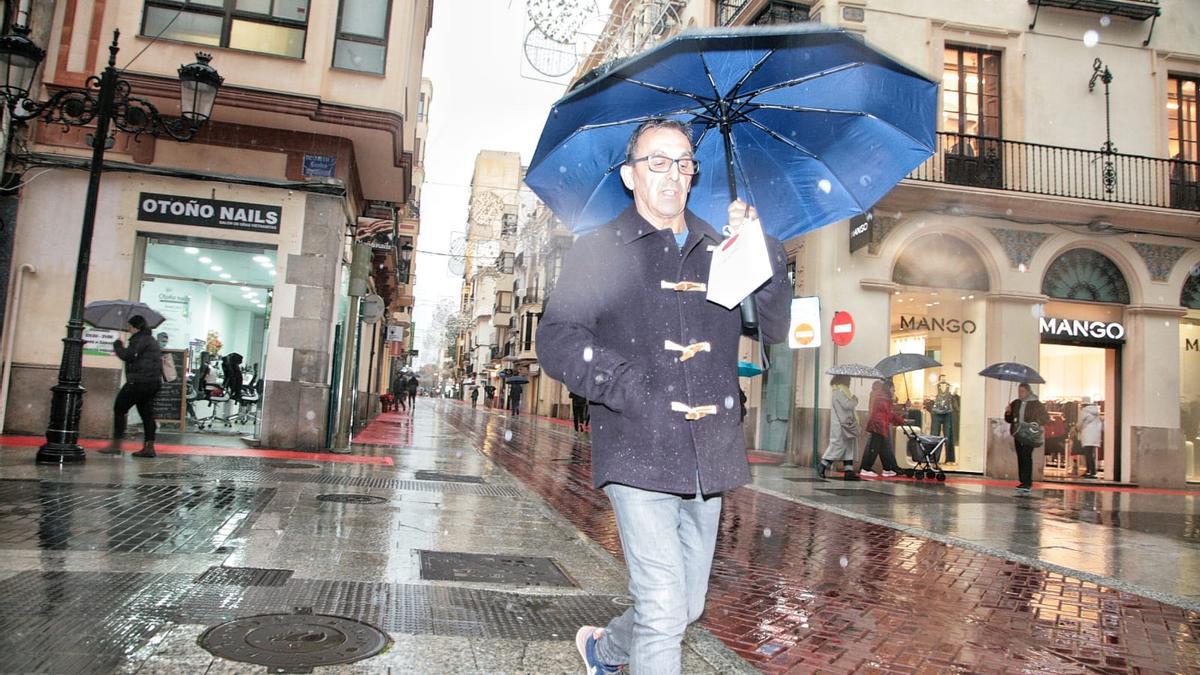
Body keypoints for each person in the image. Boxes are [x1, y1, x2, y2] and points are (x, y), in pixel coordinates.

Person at [537, 118, 790, 675]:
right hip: (636, 445)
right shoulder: (600, 250)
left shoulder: (720, 249)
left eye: (683, 162)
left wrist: (761, 250)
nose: (672, 174)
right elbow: (556, 340)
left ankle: (604, 650)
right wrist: (629, 386)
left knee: (685, 606)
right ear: (630, 176)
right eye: (657, 162)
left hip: (709, 454)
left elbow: (771, 328)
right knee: (663, 607)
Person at [101, 315, 163, 458]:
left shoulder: (140, 340)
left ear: (136, 327)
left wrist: (118, 346)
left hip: (139, 382)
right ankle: (149, 447)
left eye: (130, 327)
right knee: (147, 413)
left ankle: (116, 445)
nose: (128, 330)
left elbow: (128, 355)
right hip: (152, 383)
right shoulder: (150, 340)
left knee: (119, 408)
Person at [1005, 382, 1050, 493]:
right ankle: (1022, 481)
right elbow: (1009, 419)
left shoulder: (1036, 404)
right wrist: (1008, 412)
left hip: (1029, 434)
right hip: (1018, 433)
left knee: (1026, 455)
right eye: (1019, 391)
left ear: (1028, 391)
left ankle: (1027, 482)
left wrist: (1035, 422)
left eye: (1022, 391)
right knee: (1020, 456)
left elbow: (1046, 418)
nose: (1020, 394)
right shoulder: (1016, 403)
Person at [818, 375, 862, 480]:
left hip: (846, 424)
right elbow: (847, 405)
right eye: (849, 380)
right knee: (837, 446)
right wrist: (855, 400)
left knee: (848, 448)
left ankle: (848, 471)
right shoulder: (840, 392)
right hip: (842, 425)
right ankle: (823, 465)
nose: (850, 382)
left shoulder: (842, 391)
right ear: (844, 380)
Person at [859, 379, 904, 477]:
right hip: (878, 426)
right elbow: (889, 414)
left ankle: (887, 469)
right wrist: (900, 420)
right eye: (893, 389)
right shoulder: (884, 398)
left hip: (879, 425)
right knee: (873, 448)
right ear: (889, 388)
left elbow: (887, 414)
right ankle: (865, 468)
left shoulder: (883, 397)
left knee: (884, 448)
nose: (894, 391)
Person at [930, 377, 955, 463]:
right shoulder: (934, 387)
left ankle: (949, 459)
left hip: (947, 413)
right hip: (937, 413)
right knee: (934, 436)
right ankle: (933, 458)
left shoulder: (950, 387)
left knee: (948, 436)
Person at [1077, 397, 1102, 479]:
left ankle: (1090, 471)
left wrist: (1077, 429)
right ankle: (1092, 471)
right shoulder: (1096, 412)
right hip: (1095, 436)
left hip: (1087, 435)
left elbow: (1079, 424)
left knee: (1088, 454)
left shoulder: (1083, 412)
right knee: (1091, 454)